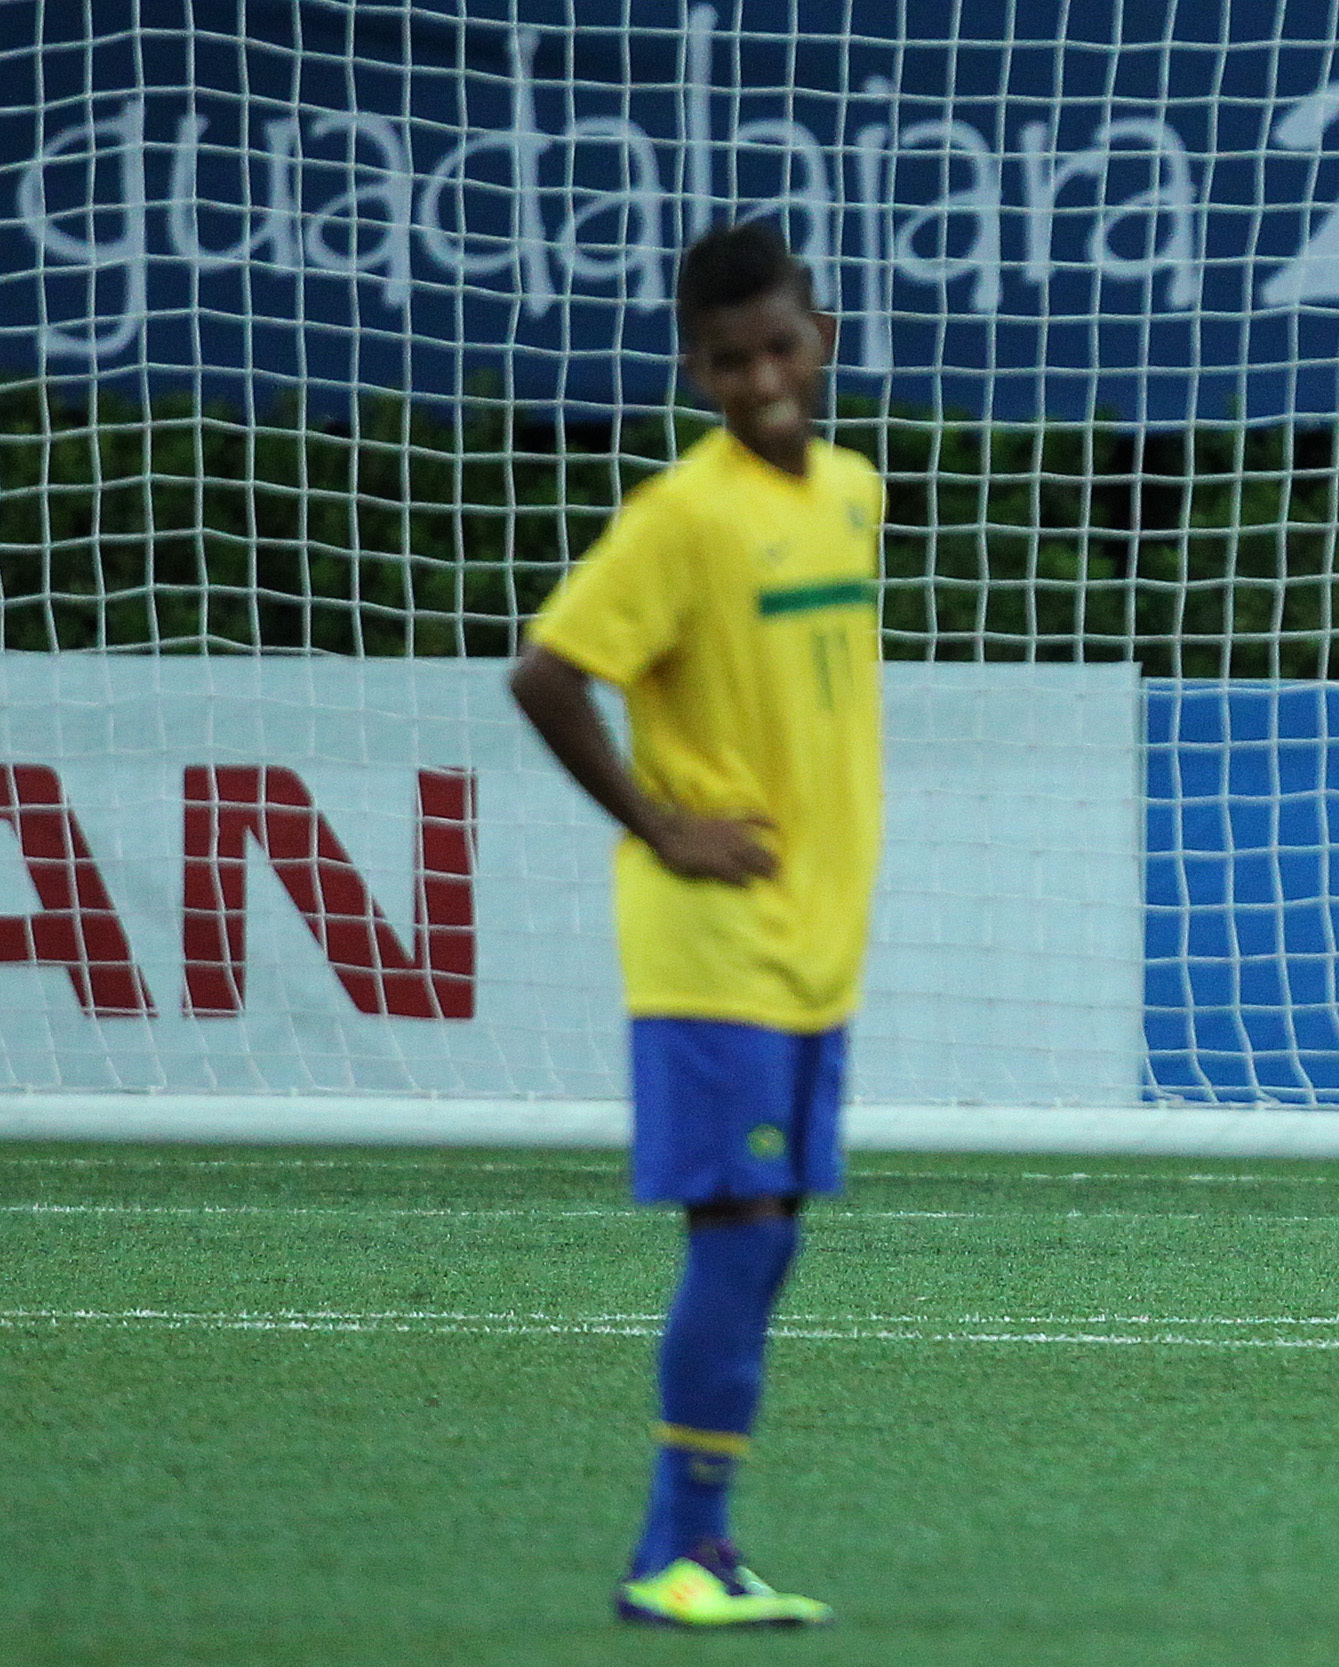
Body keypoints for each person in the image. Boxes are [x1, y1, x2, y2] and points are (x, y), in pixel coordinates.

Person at [509, 219, 882, 1621]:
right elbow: (546, 675)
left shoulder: (853, 491)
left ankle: (697, 1547)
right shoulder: (682, 516)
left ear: (821, 339)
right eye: (730, 361)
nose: (763, 378)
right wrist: (659, 822)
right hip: (709, 941)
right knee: (739, 1231)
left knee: (767, 1232)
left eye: (781, 347)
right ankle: (675, 1549)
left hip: (808, 942)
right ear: (697, 372)